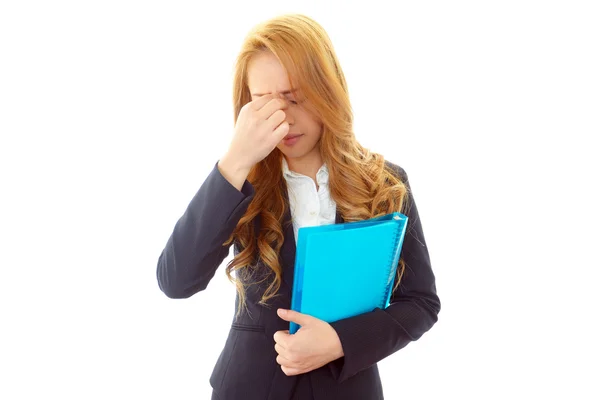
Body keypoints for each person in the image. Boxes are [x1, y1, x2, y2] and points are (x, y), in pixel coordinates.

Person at [156, 13, 441, 400]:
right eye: (262, 101)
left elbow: (420, 303)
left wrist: (341, 340)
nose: (283, 118)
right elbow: (176, 280)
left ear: (328, 90)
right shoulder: (239, 184)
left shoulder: (384, 182)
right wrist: (234, 163)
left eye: (294, 97)